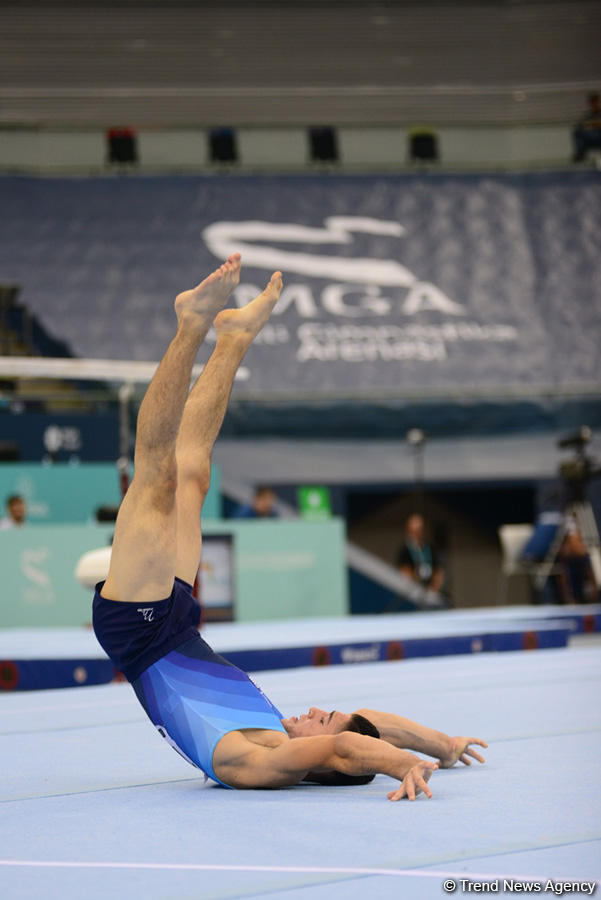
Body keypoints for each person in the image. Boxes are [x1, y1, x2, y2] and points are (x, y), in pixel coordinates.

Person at [93, 255, 486, 801]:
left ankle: (191, 325)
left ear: (323, 757)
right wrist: (441, 745)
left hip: (139, 635)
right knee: (193, 474)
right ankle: (232, 338)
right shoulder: (289, 734)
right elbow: (365, 724)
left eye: (324, 719)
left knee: (156, 480)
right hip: (180, 623)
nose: (316, 711)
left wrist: (402, 767)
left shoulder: (249, 760)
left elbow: (345, 747)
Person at [397, 513, 445, 595]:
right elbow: (404, 573)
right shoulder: (405, 550)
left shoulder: (430, 548)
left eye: (420, 530)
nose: (418, 534)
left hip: (431, 591)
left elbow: (438, 572)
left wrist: (433, 590)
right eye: (415, 531)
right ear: (409, 531)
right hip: (412, 591)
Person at [572, 91, 601, 163]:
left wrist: (594, 125)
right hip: (591, 136)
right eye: (592, 102)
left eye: (596, 102)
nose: (594, 104)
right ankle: (580, 154)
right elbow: (581, 125)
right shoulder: (588, 115)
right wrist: (590, 126)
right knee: (577, 131)